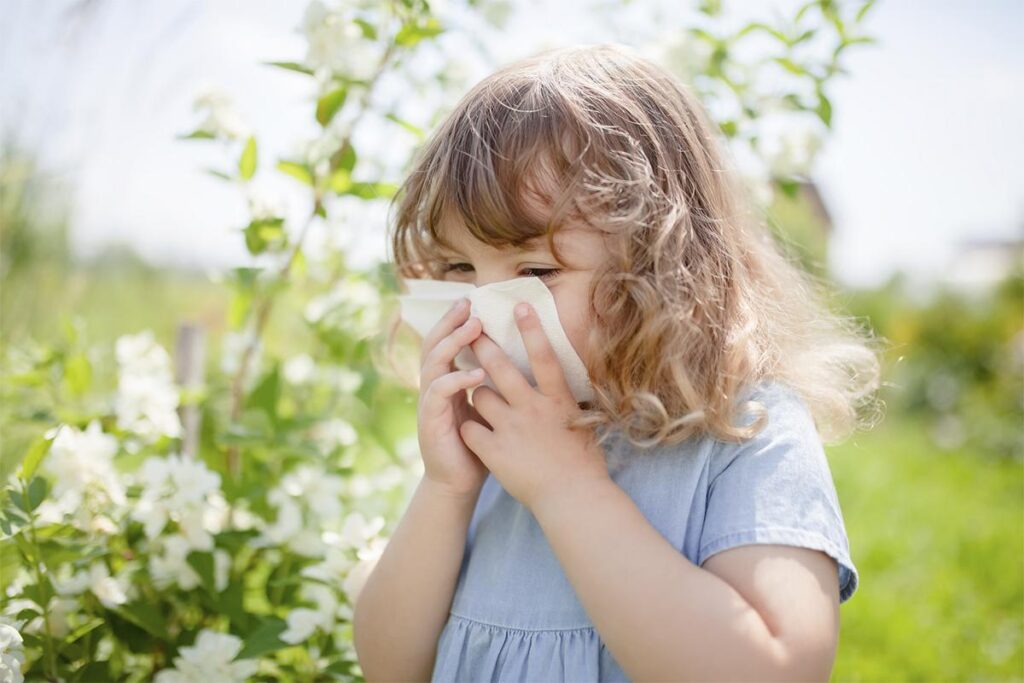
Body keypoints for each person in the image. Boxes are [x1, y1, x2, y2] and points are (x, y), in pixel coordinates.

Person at [353, 42, 883, 683]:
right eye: (458, 268)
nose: (486, 310)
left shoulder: (745, 431)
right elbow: (388, 667)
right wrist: (447, 490)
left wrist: (568, 489)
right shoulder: (493, 443)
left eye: (537, 271)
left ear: (661, 266)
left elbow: (777, 668)